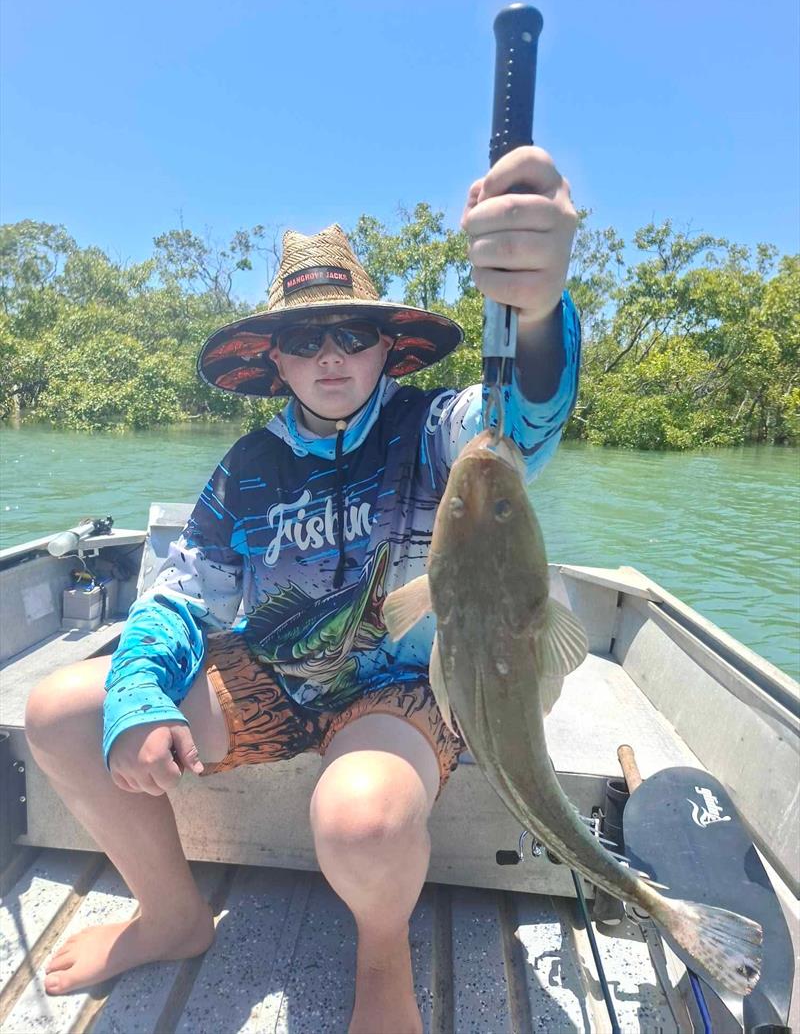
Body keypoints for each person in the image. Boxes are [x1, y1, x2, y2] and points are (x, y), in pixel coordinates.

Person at [24, 145, 580, 1034]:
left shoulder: (435, 429)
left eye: (352, 333)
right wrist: (137, 694)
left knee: (362, 819)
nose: (330, 355)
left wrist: (538, 308)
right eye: (303, 338)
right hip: (275, 678)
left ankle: (383, 967)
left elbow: (519, 427)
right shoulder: (248, 465)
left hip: (401, 691)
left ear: (386, 347)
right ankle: (170, 914)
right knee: (61, 711)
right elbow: (182, 594)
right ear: (273, 361)